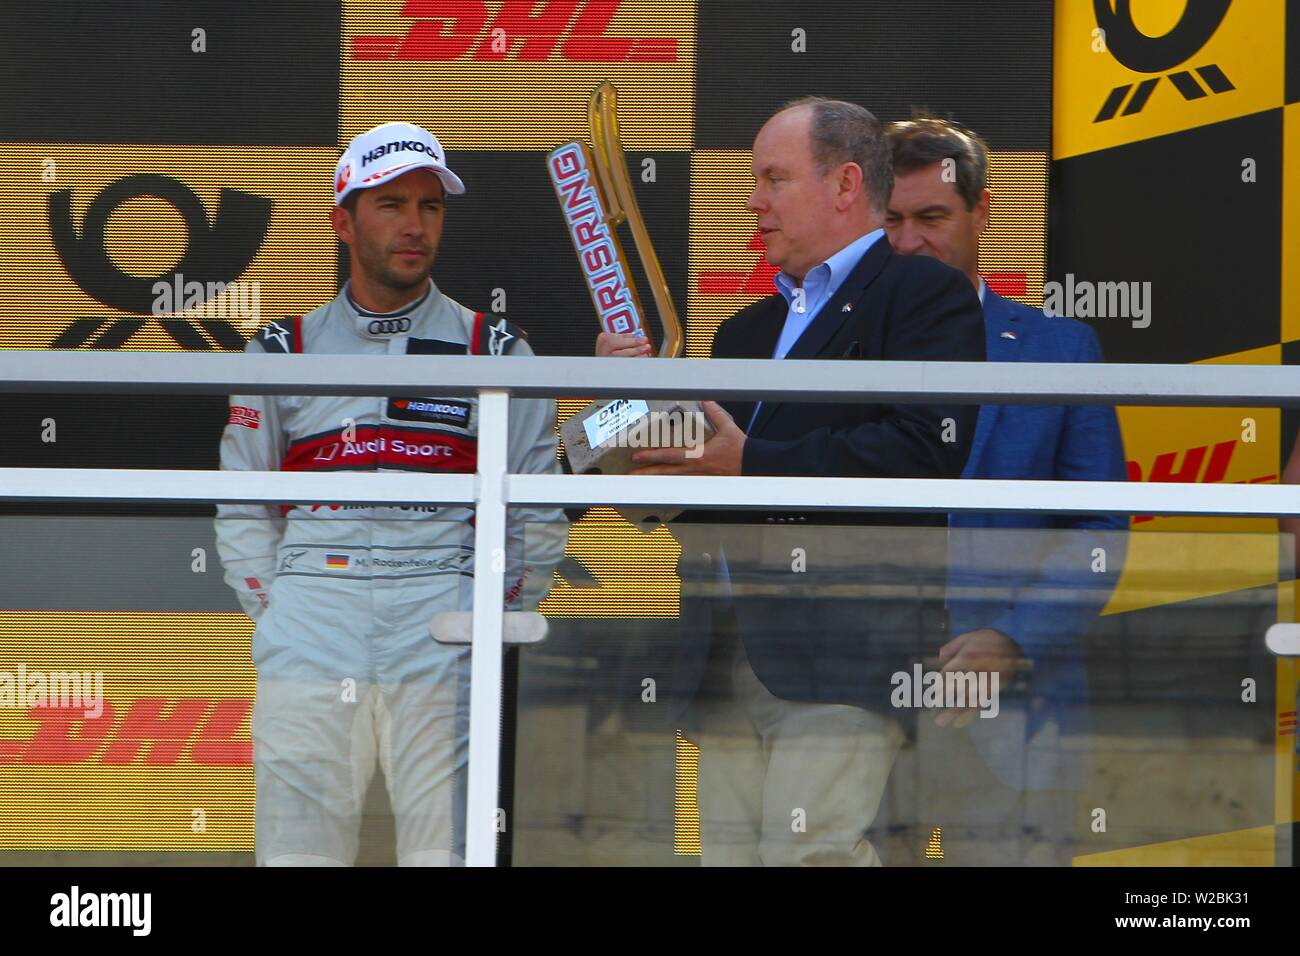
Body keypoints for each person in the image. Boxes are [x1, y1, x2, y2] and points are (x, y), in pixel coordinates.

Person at [599, 97, 985, 865]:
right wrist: (635, 425)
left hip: (844, 653)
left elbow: (924, 450)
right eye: (755, 180)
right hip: (723, 655)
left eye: (773, 179)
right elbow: (709, 495)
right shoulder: (744, 332)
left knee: (813, 857)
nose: (754, 202)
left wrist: (754, 461)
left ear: (845, 185)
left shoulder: (922, 297)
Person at [215, 121, 565, 866]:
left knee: (452, 852)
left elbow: (536, 506)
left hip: (443, 612)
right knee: (297, 853)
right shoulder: (281, 348)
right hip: (314, 607)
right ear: (342, 220)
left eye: (431, 207)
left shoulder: (496, 347)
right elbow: (243, 500)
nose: (415, 225)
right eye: (392, 204)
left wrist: (493, 614)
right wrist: (281, 610)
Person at [882, 114, 1128, 864]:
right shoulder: (837, 341)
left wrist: (1011, 640)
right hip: (857, 700)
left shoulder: (1060, 348)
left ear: (983, 212)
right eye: (891, 220)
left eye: (933, 217)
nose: (911, 240)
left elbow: (1098, 532)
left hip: (1015, 707)